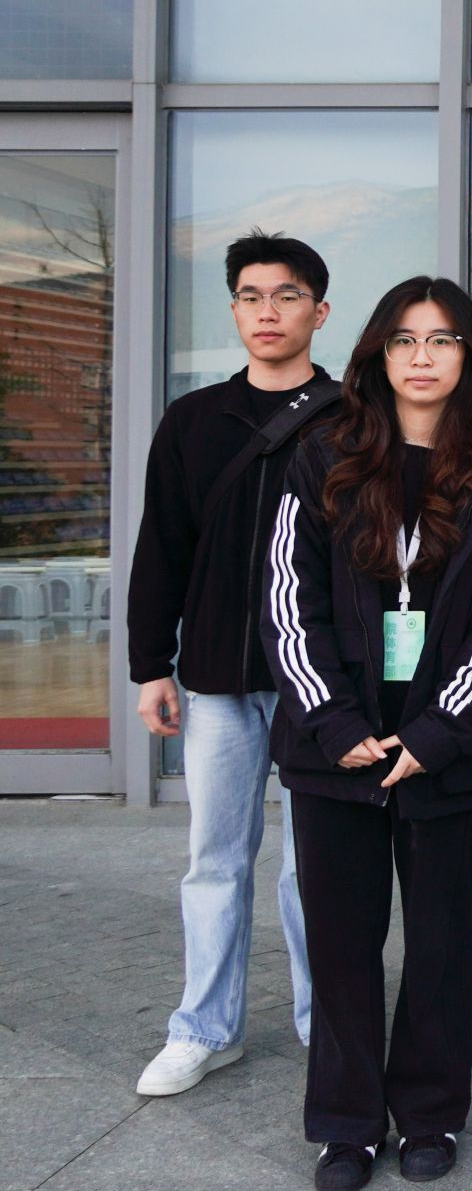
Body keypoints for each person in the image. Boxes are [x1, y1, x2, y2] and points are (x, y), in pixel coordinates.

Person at [262, 277, 472, 1191]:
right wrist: (332, 720)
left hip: (444, 753)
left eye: (443, 339)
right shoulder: (322, 455)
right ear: (378, 354)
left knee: (439, 944)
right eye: (405, 340)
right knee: (342, 944)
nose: (423, 357)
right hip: (334, 749)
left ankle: (430, 1113)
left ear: (470, 357)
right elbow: (288, 597)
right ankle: (345, 1124)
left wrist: (440, 730)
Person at [128, 231, 335, 1097]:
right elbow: (162, 546)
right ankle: (205, 1029)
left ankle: (330, 1024)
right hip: (215, 678)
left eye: (286, 295)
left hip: (319, 684)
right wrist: (152, 664)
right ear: (234, 309)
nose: (267, 312)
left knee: (313, 865)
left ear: (319, 311)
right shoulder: (193, 420)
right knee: (215, 857)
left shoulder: (351, 418)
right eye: (251, 296)